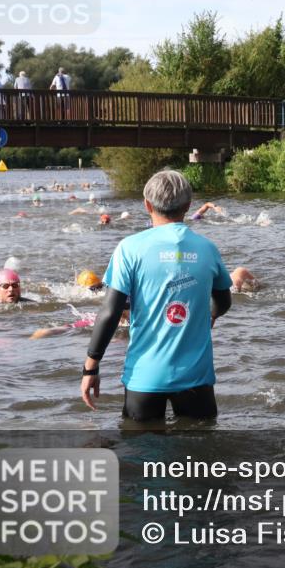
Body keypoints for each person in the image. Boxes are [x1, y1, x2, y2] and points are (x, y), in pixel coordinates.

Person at [79, 169, 233, 421]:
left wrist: (90, 367)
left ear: (147, 205)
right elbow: (224, 301)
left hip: (145, 376)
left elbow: (110, 312)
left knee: (141, 455)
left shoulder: (129, 248)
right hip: (196, 377)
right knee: (201, 455)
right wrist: (212, 315)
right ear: (188, 205)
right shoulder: (207, 248)